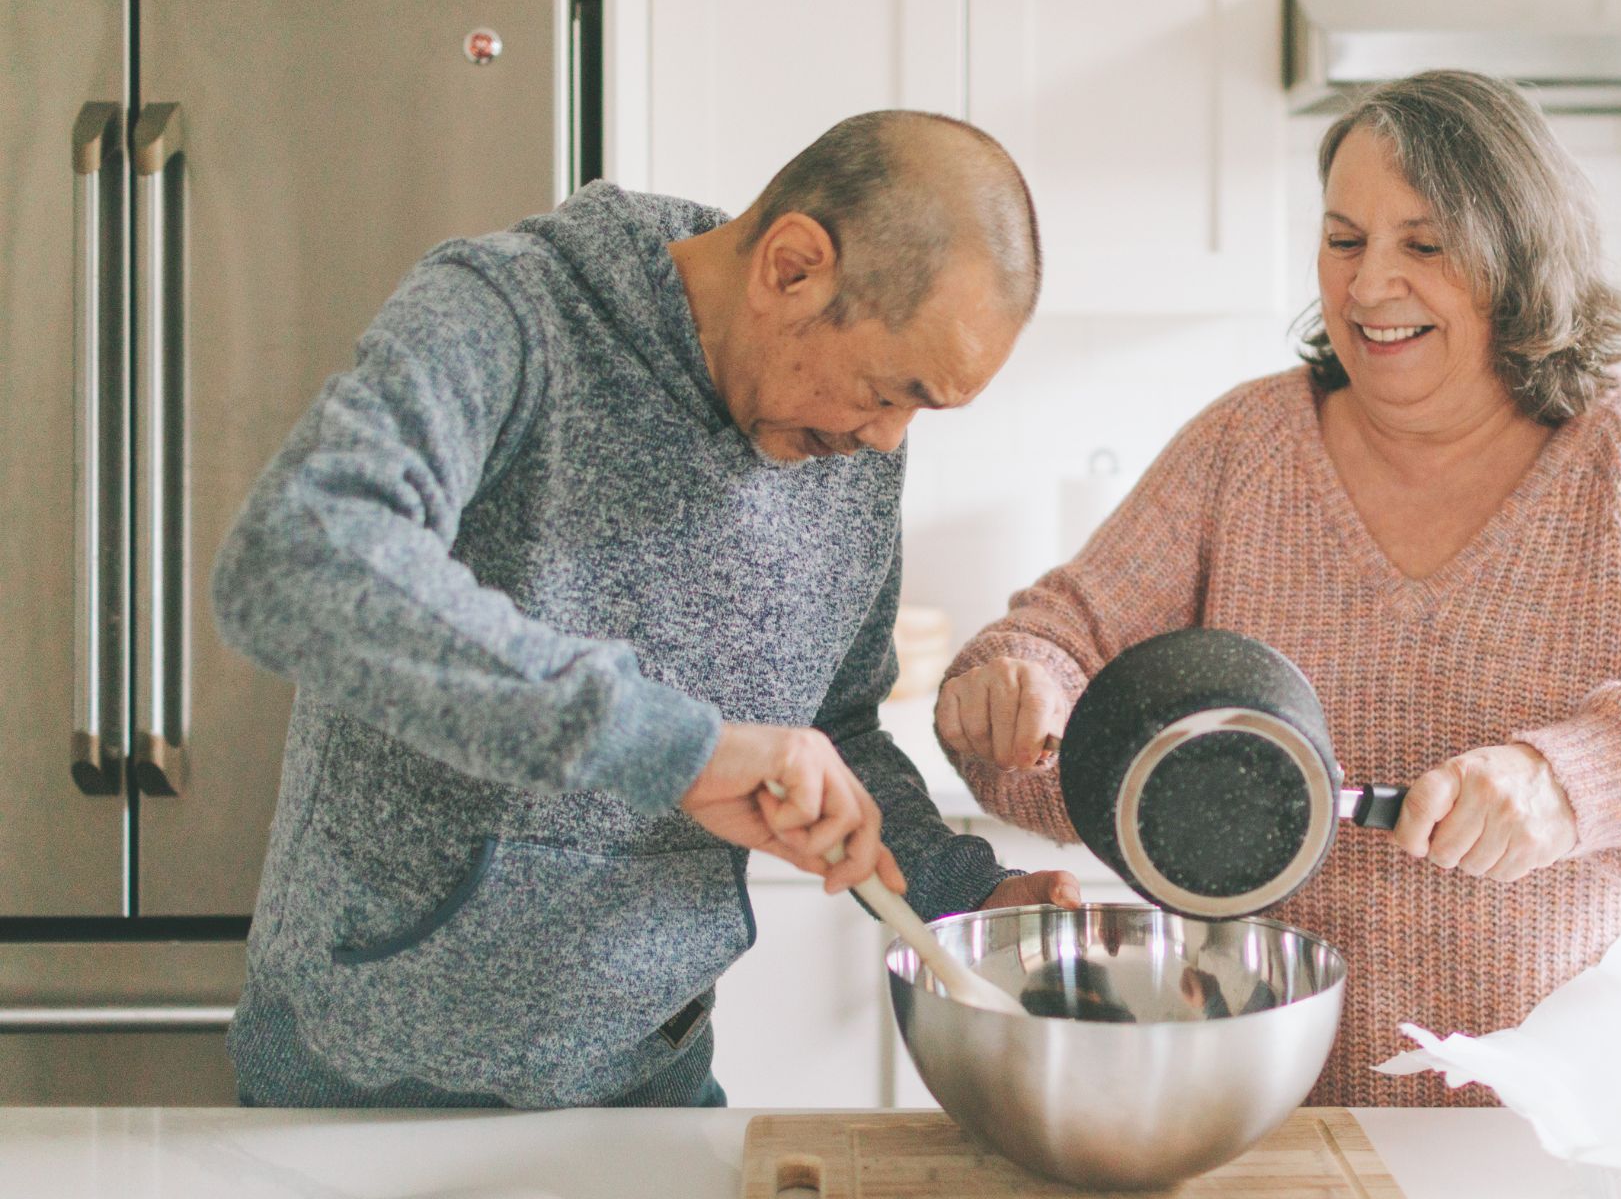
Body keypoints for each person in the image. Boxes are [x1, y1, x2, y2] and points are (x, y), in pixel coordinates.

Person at [935, 71, 1621, 1106]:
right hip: (1291, 1112)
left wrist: (1576, 783)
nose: (1369, 284)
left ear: (1518, 259)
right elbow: (1062, 640)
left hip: (1605, 1112)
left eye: (1422, 246)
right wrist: (1016, 680)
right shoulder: (1246, 446)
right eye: (1345, 242)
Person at [214, 112, 1078, 1110]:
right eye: (893, 392)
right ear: (792, 268)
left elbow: (828, 728)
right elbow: (298, 554)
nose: (888, 441)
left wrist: (963, 895)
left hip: (652, 1079)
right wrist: (678, 748)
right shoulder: (507, 313)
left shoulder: (843, 439)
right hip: (370, 1077)